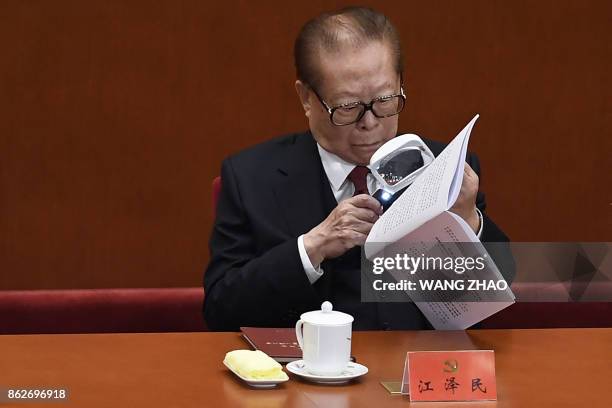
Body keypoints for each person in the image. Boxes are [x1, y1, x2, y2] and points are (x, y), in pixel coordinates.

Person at [204, 6, 513, 331]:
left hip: (419, 370)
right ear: (306, 98)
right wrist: (313, 246)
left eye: (385, 100)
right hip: (306, 372)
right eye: (347, 107)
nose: (370, 124)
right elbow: (220, 310)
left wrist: (466, 221)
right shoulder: (251, 178)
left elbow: (497, 304)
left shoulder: (442, 166)